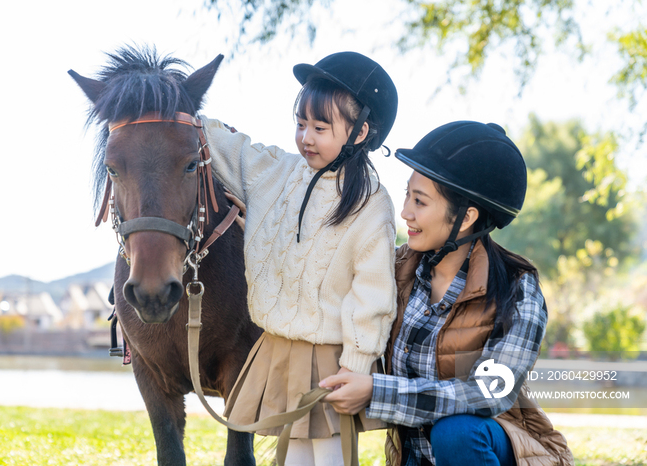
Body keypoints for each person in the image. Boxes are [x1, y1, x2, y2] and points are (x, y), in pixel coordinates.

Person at [318, 121, 574, 466]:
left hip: (488, 450)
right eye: (407, 195)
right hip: (414, 456)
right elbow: (326, 276)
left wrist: (377, 392)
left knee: (456, 432)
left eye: (420, 201)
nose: (405, 212)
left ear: (466, 217)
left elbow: (488, 392)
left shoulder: (517, 288)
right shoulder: (394, 269)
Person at [203, 51, 399, 465]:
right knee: (291, 460)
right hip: (276, 348)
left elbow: (373, 294)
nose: (305, 137)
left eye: (320, 127)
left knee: (326, 458)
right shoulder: (276, 171)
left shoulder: (371, 203)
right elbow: (227, 147)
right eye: (301, 124)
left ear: (361, 132)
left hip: (331, 359)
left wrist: (357, 366)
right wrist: (172, 108)